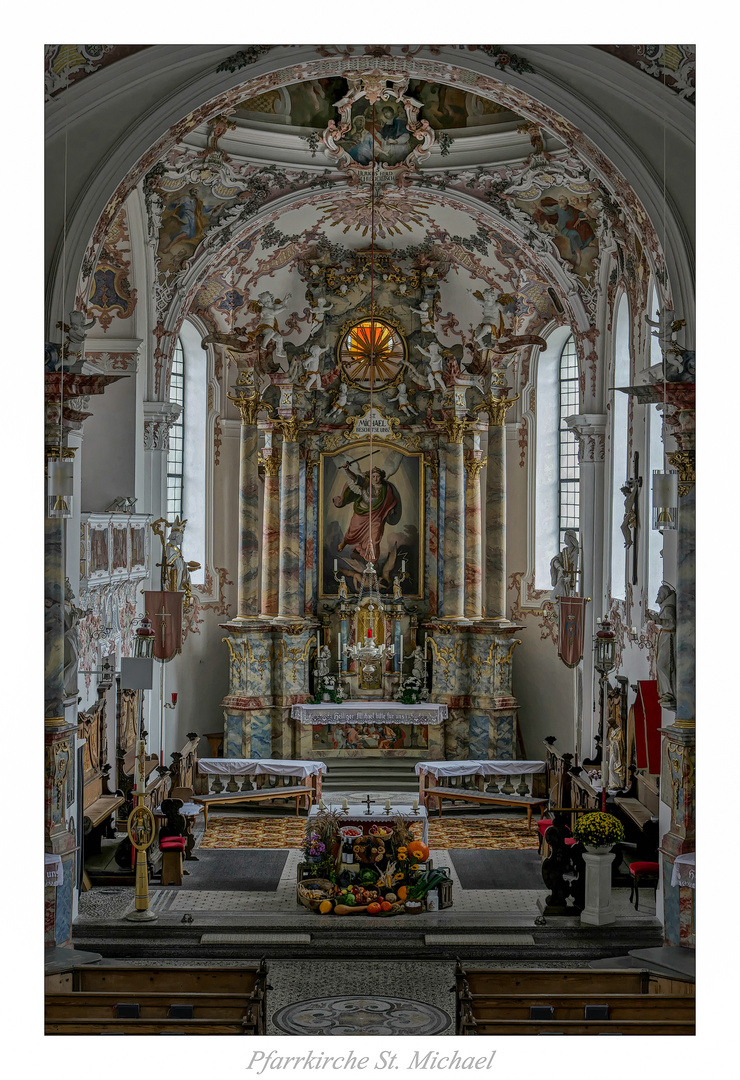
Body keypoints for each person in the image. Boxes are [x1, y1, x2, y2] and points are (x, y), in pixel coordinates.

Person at [333, 462, 401, 562]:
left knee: (375, 536)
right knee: (352, 531)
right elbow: (354, 478)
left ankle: (372, 561)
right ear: (371, 477)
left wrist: (390, 509)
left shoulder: (385, 488)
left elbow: (390, 499)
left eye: (378, 476)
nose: (376, 479)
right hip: (362, 513)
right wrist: (347, 470)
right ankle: (345, 542)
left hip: (377, 516)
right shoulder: (365, 483)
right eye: (373, 476)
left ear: (381, 477)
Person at [647, 583, 677, 709]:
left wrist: (657, 620)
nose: (657, 596)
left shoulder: (669, 608)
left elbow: (671, 622)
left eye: (659, 594)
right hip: (664, 636)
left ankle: (669, 692)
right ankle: (667, 692)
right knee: (661, 665)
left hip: (669, 637)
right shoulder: (665, 607)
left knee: (664, 665)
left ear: (664, 595)